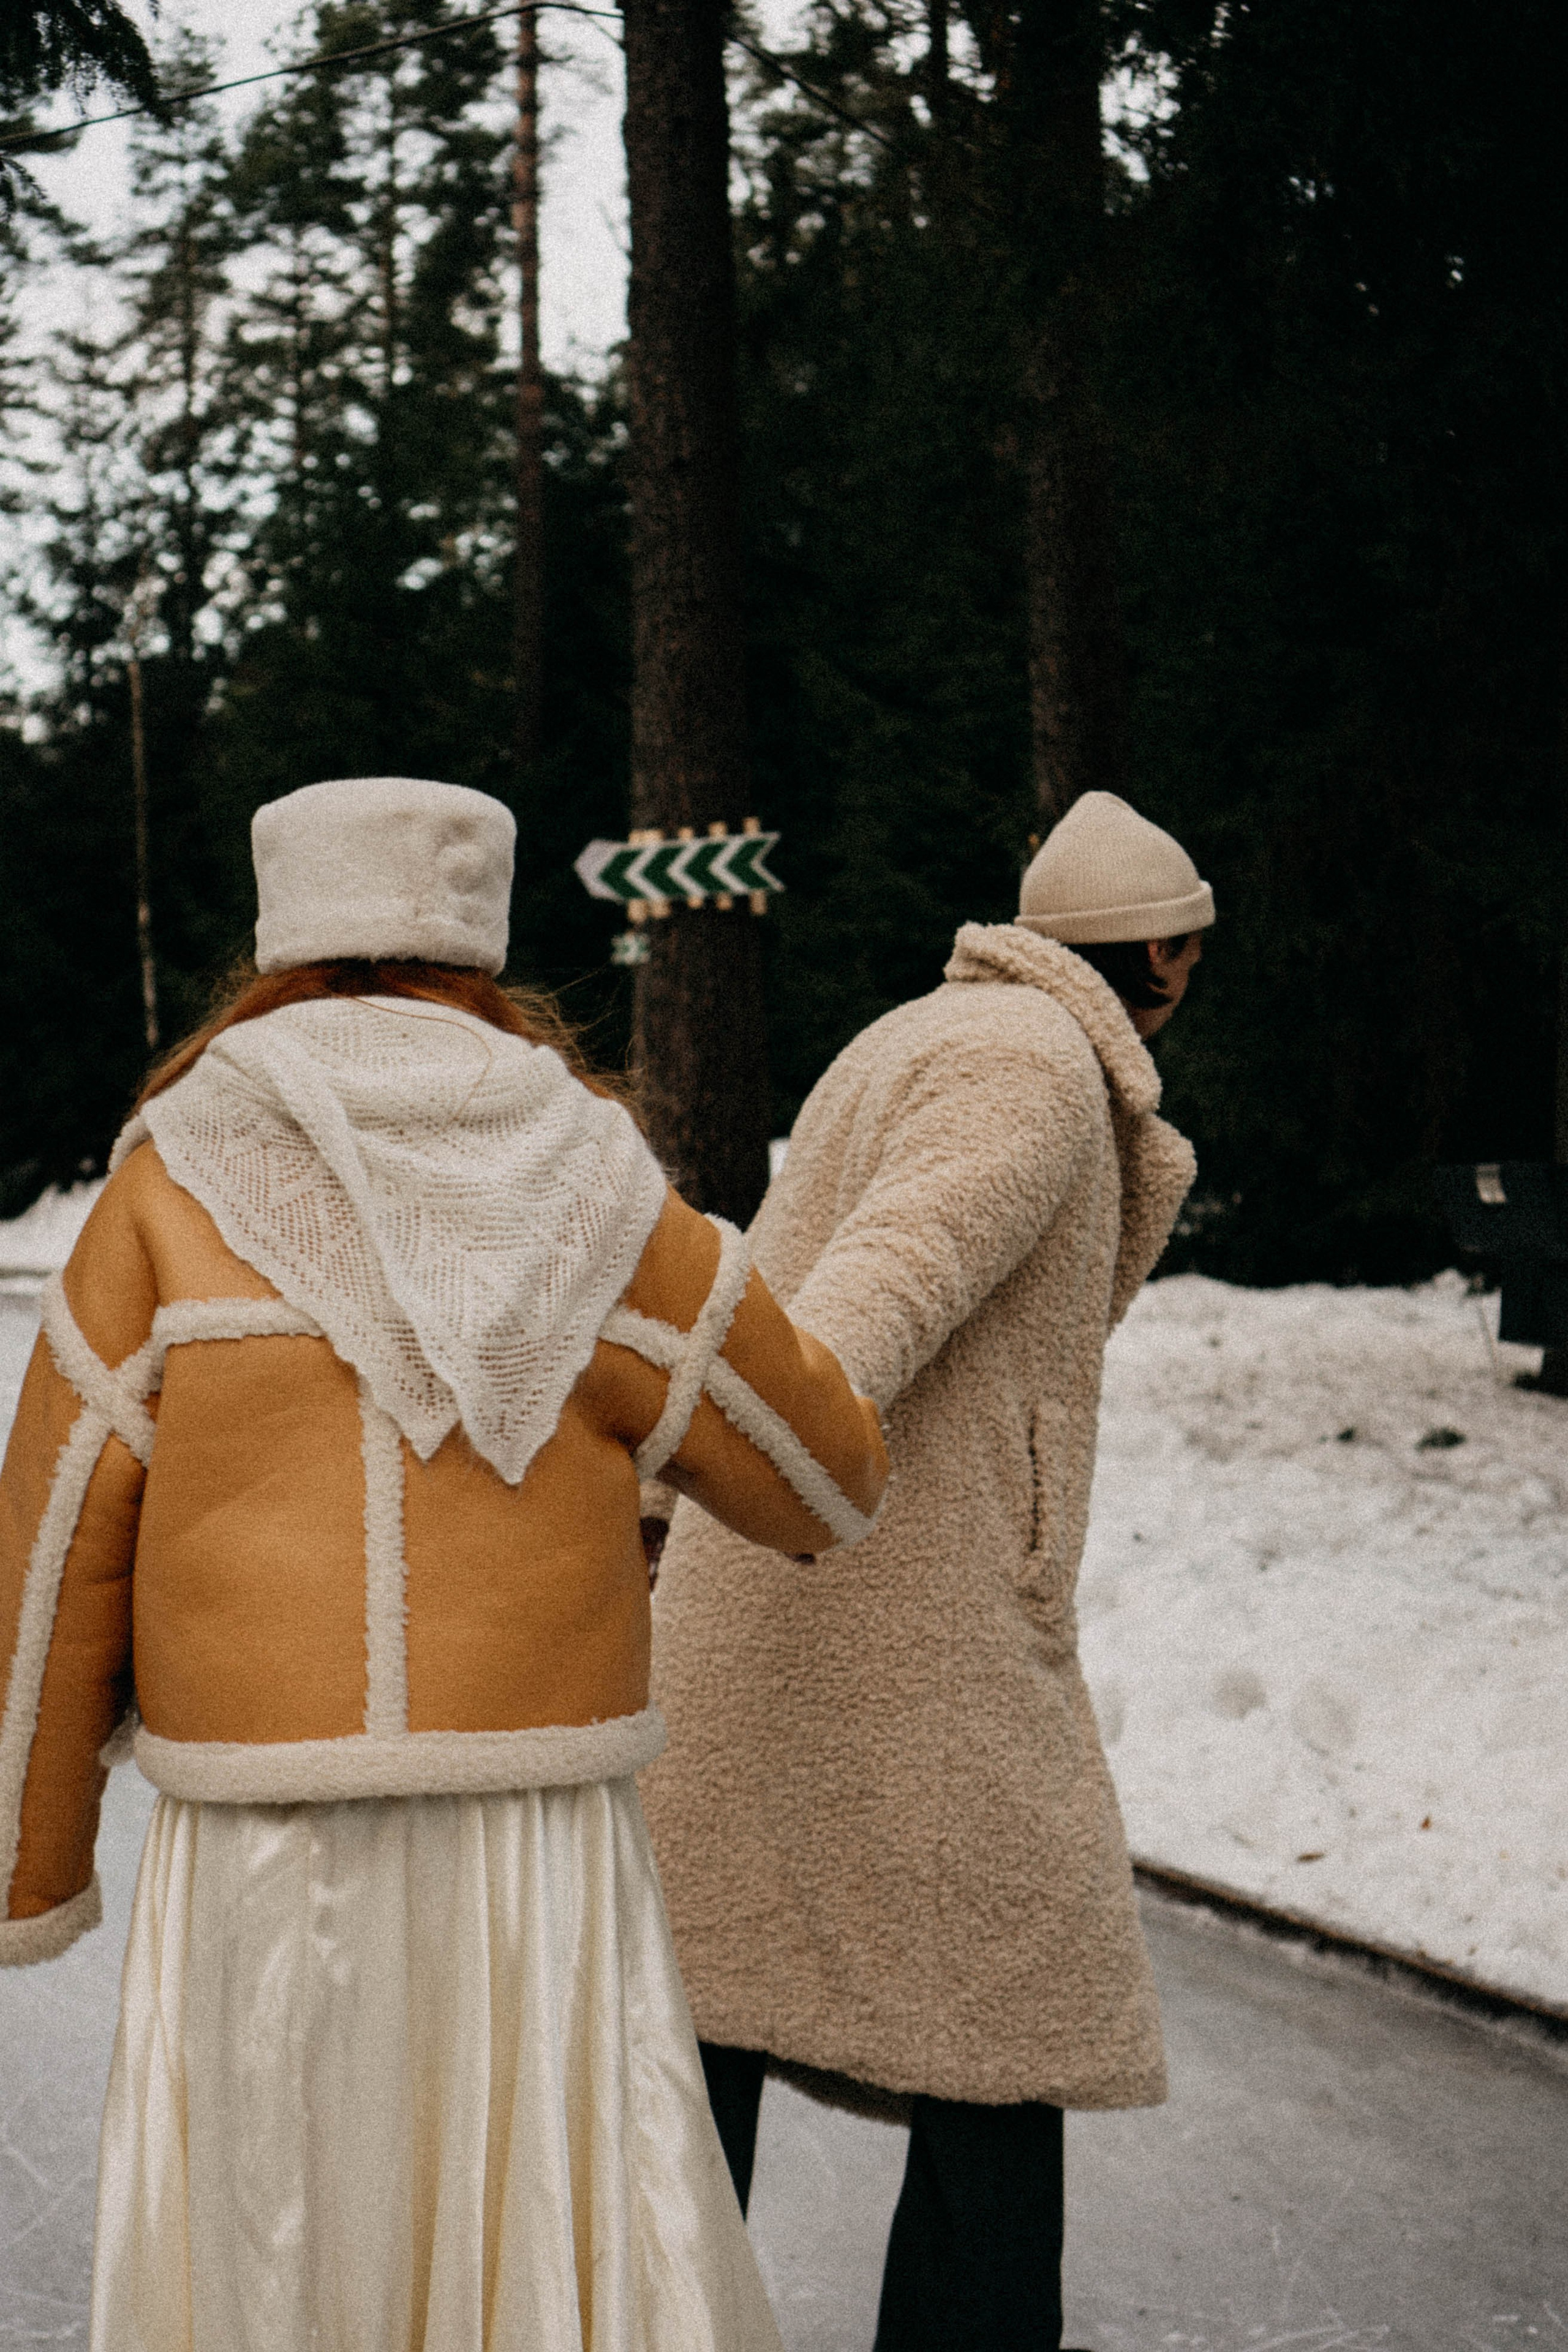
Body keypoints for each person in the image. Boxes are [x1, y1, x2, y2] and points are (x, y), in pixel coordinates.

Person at [0, 775, 888, 2352]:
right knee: (542, 2231)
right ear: (477, 934)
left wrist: (29, 1854)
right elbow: (819, 1475)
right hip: (528, 1843)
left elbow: (57, 1534)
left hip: (259, 1844)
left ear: (283, 933)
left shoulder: (164, 1182)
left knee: (275, 2233)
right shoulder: (596, 1181)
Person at [640, 790, 1214, 2351]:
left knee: (715, 2018)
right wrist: (778, 1450)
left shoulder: (911, 1033)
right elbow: (879, 1282)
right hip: (900, 1602)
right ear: (1157, 949)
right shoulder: (1027, 1068)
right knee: (1012, 2018)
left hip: (799, 1579)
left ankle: (655, 2323)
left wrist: (721, 1499)